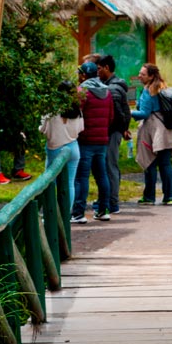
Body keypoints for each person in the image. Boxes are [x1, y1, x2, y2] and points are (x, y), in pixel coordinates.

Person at [131, 62, 172, 206]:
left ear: (151, 76)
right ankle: (169, 197)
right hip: (168, 129)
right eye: (140, 73)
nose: (139, 76)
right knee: (165, 164)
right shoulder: (164, 87)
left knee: (150, 163)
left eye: (143, 74)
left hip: (153, 129)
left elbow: (144, 113)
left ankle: (149, 197)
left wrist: (129, 113)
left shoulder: (148, 91)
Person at [72, 61, 114, 223]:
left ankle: (78, 213)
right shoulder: (107, 92)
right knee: (101, 176)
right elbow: (111, 117)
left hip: (85, 140)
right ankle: (103, 210)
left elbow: (75, 114)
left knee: (81, 177)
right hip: (102, 140)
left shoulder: (82, 92)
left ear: (83, 75)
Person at [39, 81, 82, 216]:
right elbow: (81, 129)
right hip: (73, 147)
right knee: (69, 184)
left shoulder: (51, 110)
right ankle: (65, 214)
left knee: (50, 183)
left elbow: (43, 129)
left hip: (55, 148)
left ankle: (50, 215)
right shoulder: (77, 110)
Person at [97, 54, 132, 215]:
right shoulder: (111, 85)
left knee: (110, 166)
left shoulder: (113, 89)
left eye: (99, 69)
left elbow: (120, 113)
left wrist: (121, 129)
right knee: (107, 166)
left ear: (106, 68)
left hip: (112, 132)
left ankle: (112, 202)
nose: (98, 72)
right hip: (114, 131)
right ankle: (108, 199)